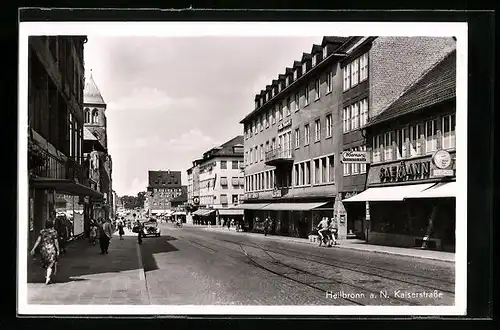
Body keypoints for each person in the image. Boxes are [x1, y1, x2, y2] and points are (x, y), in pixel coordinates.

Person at [30, 220, 60, 285]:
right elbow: (56, 242)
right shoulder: (54, 232)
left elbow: (38, 240)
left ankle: (47, 277)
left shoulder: (42, 231)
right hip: (51, 249)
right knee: (51, 264)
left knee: (45, 264)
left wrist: (33, 248)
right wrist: (58, 250)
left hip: (43, 249)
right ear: (52, 224)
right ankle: (48, 278)